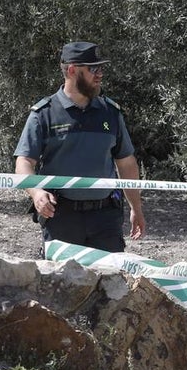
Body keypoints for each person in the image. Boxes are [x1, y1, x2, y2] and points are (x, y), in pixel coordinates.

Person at [14, 41, 145, 253]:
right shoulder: (44, 113)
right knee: (63, 283)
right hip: (61, 217)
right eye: (93, 69)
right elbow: (24, 162)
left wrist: (135, 208)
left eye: (101, 68)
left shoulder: (110, 112)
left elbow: (126, 162)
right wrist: (36, 192)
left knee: (109, 280)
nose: (100, 74)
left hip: (106, 218)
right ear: (73, 70)